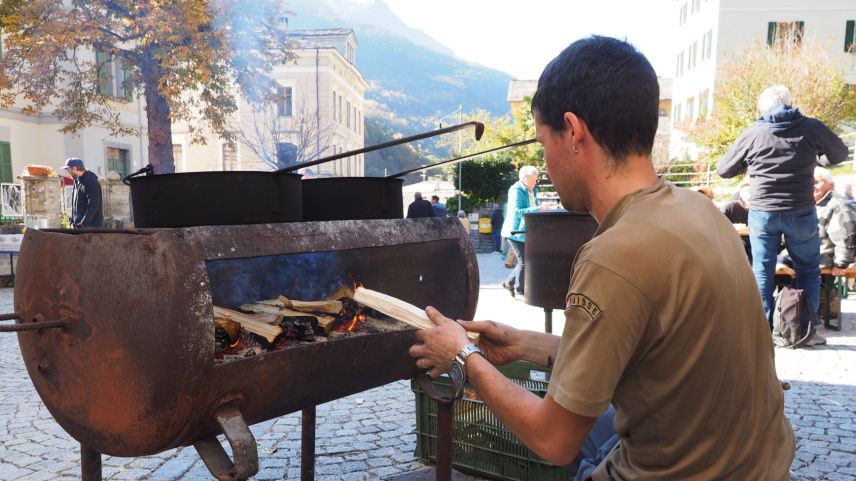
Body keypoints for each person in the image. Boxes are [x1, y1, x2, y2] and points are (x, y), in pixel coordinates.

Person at [410, 36, 794, 480]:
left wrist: (462, 357)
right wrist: (529, 345)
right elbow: (651, 354)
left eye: (543, 141)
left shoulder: (613, 256)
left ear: (573, 132)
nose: (547, 161)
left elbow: (554, 439)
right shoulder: (700, 211)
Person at [718, 85, 849, 326]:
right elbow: (840, 153)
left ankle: (760, 331)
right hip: (800, 209)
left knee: (762, 271)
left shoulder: (754, 133)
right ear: (790, 102)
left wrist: (749, 165)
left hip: (762, 212)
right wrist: (818, 158)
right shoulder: (811, 127)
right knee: (808, 270)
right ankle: (807, 328)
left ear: (763, 108)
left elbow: (724, 169)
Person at [500, 165, 546, 298]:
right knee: (524, 260)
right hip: (515, 231)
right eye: (534, 180)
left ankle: (509, 283)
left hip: (526, 231)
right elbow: (516, 211)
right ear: (525, 179)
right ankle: (520, 290)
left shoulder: (533, 190)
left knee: (526, 260)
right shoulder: (516, 190)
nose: (536, 182)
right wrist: (539, 209)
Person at [62, 157, 103, 229]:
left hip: (91, 228)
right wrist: (72, 221)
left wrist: (83, 223)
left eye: (68, 170)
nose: (68, 173)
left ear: (74, 168)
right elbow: (76, 205)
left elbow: (93, 205)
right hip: (79, 227)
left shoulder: (91, 181)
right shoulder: (77, 182)